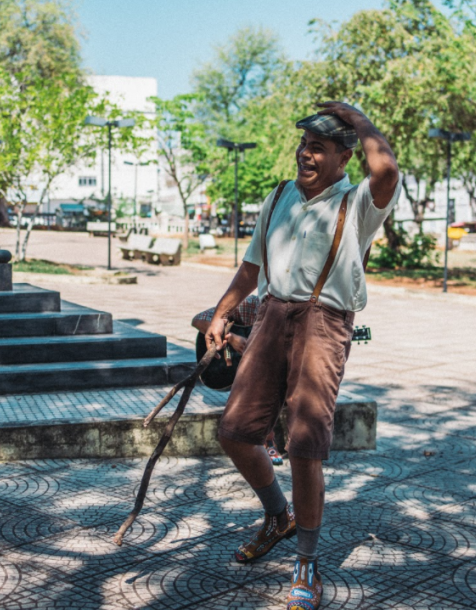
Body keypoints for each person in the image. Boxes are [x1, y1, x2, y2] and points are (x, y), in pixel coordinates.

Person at [205, 101, 400, 610]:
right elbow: (250, 271)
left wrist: (357, 117)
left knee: (305, 444)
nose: (304, 154)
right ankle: (279, 515)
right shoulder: (277, 198)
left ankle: (307, 565)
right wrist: (223, 313)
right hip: (271, 315)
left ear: (342, 157)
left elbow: (388, 169)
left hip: (323, 322)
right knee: (235, 431)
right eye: (302, 144)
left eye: (318, 147)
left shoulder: (357, 203)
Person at [191, 297, 285, 466]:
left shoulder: (288, 315)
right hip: (228, 369)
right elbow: (198, 320)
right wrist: (231, 338)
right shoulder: (249, 304)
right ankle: (267, 441)